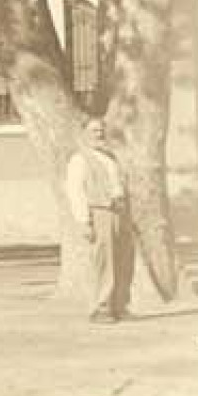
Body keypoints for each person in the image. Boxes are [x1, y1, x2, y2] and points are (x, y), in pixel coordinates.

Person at [64, 116, 134, 324]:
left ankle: (119, 306)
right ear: (84, 134)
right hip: (99, 212)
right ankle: (100, 307)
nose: (99, 134)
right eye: (94, 131)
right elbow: (75, 191)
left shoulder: (110, 157)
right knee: (104, 261)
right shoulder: (79, 159)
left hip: (119, 212)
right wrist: (84, 221)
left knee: (123, 259)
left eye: (102, 130)